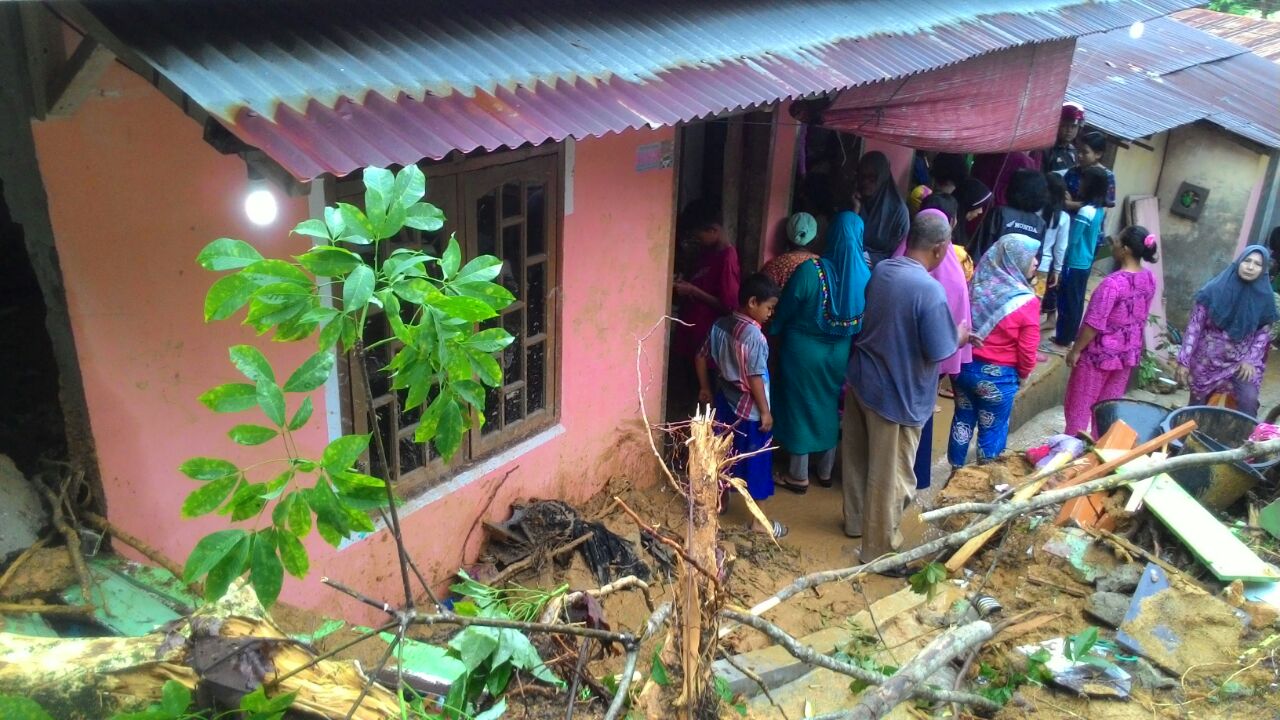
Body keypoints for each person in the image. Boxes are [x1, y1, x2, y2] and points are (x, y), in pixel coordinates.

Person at [843, 212, 966, 573]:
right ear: (942, 248)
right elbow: (940, 348)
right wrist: (959, 334)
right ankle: (879, 552)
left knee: (857, 460)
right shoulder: (929, 290)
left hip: (863, 380)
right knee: (892, 476)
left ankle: (855, 523)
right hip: (898, 396)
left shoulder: (883, 269)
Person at [770, 212, 871, 493]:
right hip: (839, 352)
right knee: (827, 405)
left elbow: (785, 309)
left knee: (799, 407)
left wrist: (775, 331)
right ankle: (825, 471)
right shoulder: (866, 276)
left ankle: (797, 474)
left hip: (801, 351)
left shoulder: (811, 271)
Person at [695, 273, 787, 538]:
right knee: (757, 461)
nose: (771, 313)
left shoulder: (719, 326)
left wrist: (705, 387)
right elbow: (756, 379)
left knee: (723, 453)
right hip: (752, 410)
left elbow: (700, 357)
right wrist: (766, 412)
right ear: (752, 302)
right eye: (769, 307)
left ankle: (719, 502)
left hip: (725, 401)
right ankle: (759, 522)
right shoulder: (755, 338)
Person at [892, 205, 972, 489]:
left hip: (897, 359)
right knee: (919, 417)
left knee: (898, 425)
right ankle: (915, 477)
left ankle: (899, 479)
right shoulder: (954, 274)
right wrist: (958, 340)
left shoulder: (890, 267)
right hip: (930, 362)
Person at [948, 236, 1042, 467]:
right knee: (992, 429)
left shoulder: (976, 286)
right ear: (1014, 260)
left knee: (962, 418)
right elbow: (1028, 351)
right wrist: (1024, 375)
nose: (1037, 262)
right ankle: (986, 478)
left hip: (963, 368)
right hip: (998, 379)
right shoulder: (1025, 301)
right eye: (1031, 257)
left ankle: (955, 472)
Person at [1063, 226, 1159, 436]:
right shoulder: (1149, 279)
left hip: (1099, 356)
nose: (1112, 245)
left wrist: (1076, 350)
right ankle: (1099, 453)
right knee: (1107, 408)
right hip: (1127, 355)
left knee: (1079, 405)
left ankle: (1070, 449)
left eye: (1116, 242)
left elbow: (1094, 323)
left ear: (1124, 249)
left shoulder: (1112, 284)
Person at [1175, 247, 1278, 416]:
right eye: (1247, 261)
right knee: (1196, 409)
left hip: (1241, 361)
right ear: (1239, 262)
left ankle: (1241, 440)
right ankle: (1189, 438)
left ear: (1263, 269)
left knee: (1248, 402)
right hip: (1206, 361)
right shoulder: (1213, 290)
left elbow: (1263, 332)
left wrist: (1250, 359)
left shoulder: (1264, 297)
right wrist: (1184, 360)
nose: (1250, 267)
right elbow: (1195, 326)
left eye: (1257, 264)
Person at [673, 202, 741, 361]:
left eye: (698, 236)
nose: (696, 240)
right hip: (691, 336)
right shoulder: (708, 252)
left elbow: (729, 307)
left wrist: (692, 291)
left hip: (706, 344)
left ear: (713, 230)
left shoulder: (727, 258)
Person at [1052, 166, 1109, 347]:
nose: (1080, 184)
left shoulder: (1085, 211)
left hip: (1074, 261)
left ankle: (1063, 336)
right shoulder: (1099, 210)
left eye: (1084, 181)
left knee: (1067, 300)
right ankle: (1069, 334)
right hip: (1085, 261)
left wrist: (1060, 262)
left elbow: (1073, 239)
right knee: (1076, 300)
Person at [969, 169, 1047, 260]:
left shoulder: (1000, 213)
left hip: (993, 270)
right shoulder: (1040, 224)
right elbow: (1037, 257)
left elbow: (981, 245)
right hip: (1020, 273)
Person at [856, 151, 910, 267]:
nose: (865, 182)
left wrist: (870, 259)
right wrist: (854, 212)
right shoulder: (857, 200)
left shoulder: (897, 211)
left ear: (882, 178)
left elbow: (899, 254)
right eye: (862, 176)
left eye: (872, 178)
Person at [1038, 173, 1071, 326]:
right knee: (1034, 304)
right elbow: (1060, 248)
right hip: (1043, 266)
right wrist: (1057, 270)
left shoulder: (1034, 209)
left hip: (1025, 261)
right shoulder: (1063, 217)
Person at [761, 212, 820, 290]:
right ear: (815, 238)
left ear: (786, 236)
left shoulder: (774, 266)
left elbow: (763, 296)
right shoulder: (821, 265)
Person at [1065, 131, 1117, 211]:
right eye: (1078, 151)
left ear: (1098, 154)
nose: (1079, 155)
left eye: (1085, 152)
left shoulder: (1107, 176)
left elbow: (1106, 203)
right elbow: (1062, 194)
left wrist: (1072, 204)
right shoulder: (1072, 171)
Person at [952, 177, 993, 259]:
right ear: (968, 203)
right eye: (979, 206)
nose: (980, 211)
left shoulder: (960, 228)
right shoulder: (950, 231)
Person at [1043, 103, 1085, 174]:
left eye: (1073, 126)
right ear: (1057, 126)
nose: (1069, 130)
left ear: (1079, 128)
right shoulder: (1046, 150)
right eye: (1065, 126)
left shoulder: (1074, 151)